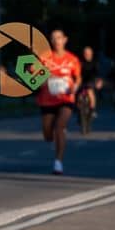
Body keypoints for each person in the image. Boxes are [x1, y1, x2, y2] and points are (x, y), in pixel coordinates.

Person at [36, 29, 81, 174]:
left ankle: (58, 162)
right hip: (47, 100)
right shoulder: (44, 57)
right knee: (48, 135)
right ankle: (55, 134)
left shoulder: (72, 59)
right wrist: (43, 79)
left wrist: (75, 86)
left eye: (59, 37)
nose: (56, 41)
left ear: (65, 40)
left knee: (59, 127)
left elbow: (78, 78)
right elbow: (33, 75)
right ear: (51, 41)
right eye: (53, 38)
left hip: (66, 98)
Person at [79, 45, 101, 117]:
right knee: (79, 96)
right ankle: (79, 110)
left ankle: (92, 110)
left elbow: (97, 73)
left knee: (90, 92)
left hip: (90, 81)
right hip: (81, 81)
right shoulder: (80, 62)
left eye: (88, 53)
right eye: (85, 53)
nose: (86, 54)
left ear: (91, 53)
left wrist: (98, 82)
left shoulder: (95, 62)